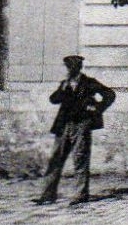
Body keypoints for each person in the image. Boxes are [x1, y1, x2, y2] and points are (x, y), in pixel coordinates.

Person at [35, 55, 114, 206]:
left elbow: (110, 94)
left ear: (78, 68)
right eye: (67, 67)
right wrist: (63, 89)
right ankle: (47, 195)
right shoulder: (65, 84)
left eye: (71, 67)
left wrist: (97, 108)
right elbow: (53, 100)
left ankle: (80, 195)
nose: (68, 70)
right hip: (64, 125)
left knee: (80, 159)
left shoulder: (89, 83)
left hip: (81, 125)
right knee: (55, 159)